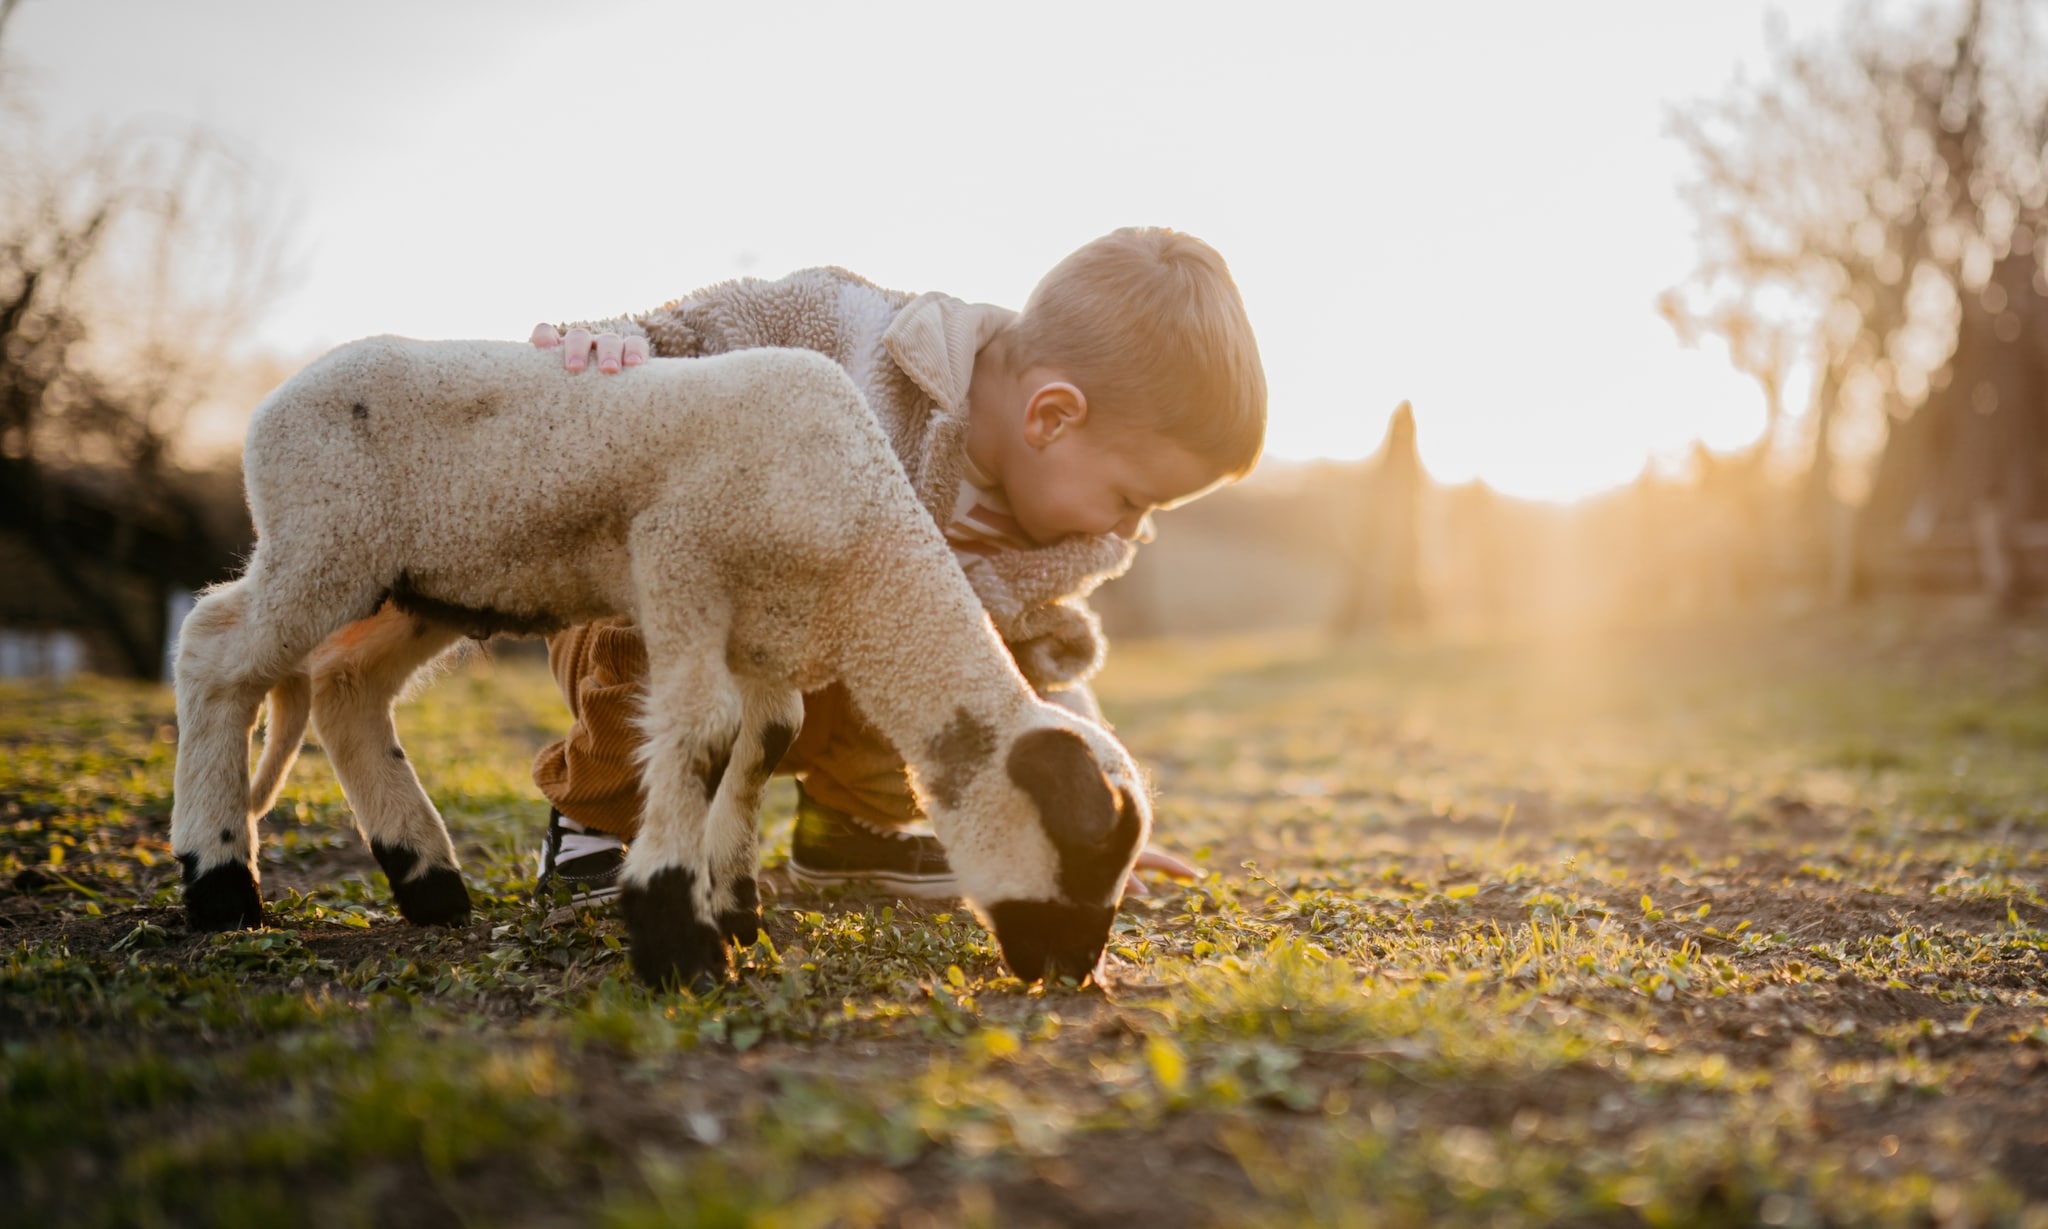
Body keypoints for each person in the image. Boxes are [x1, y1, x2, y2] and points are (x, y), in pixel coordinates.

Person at [528, 227, 1265, 908]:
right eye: (1134, 498)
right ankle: (597, 821)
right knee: (669, 618)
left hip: (811, 683)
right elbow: (724, 325)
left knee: (947, 659)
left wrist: (1093, 830)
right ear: (1052, 417)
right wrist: (628, 343)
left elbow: (1032, 683)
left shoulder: (1050, 544)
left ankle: (850, 831)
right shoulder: (859, 340)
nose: (1136, 531)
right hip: (678, 624)